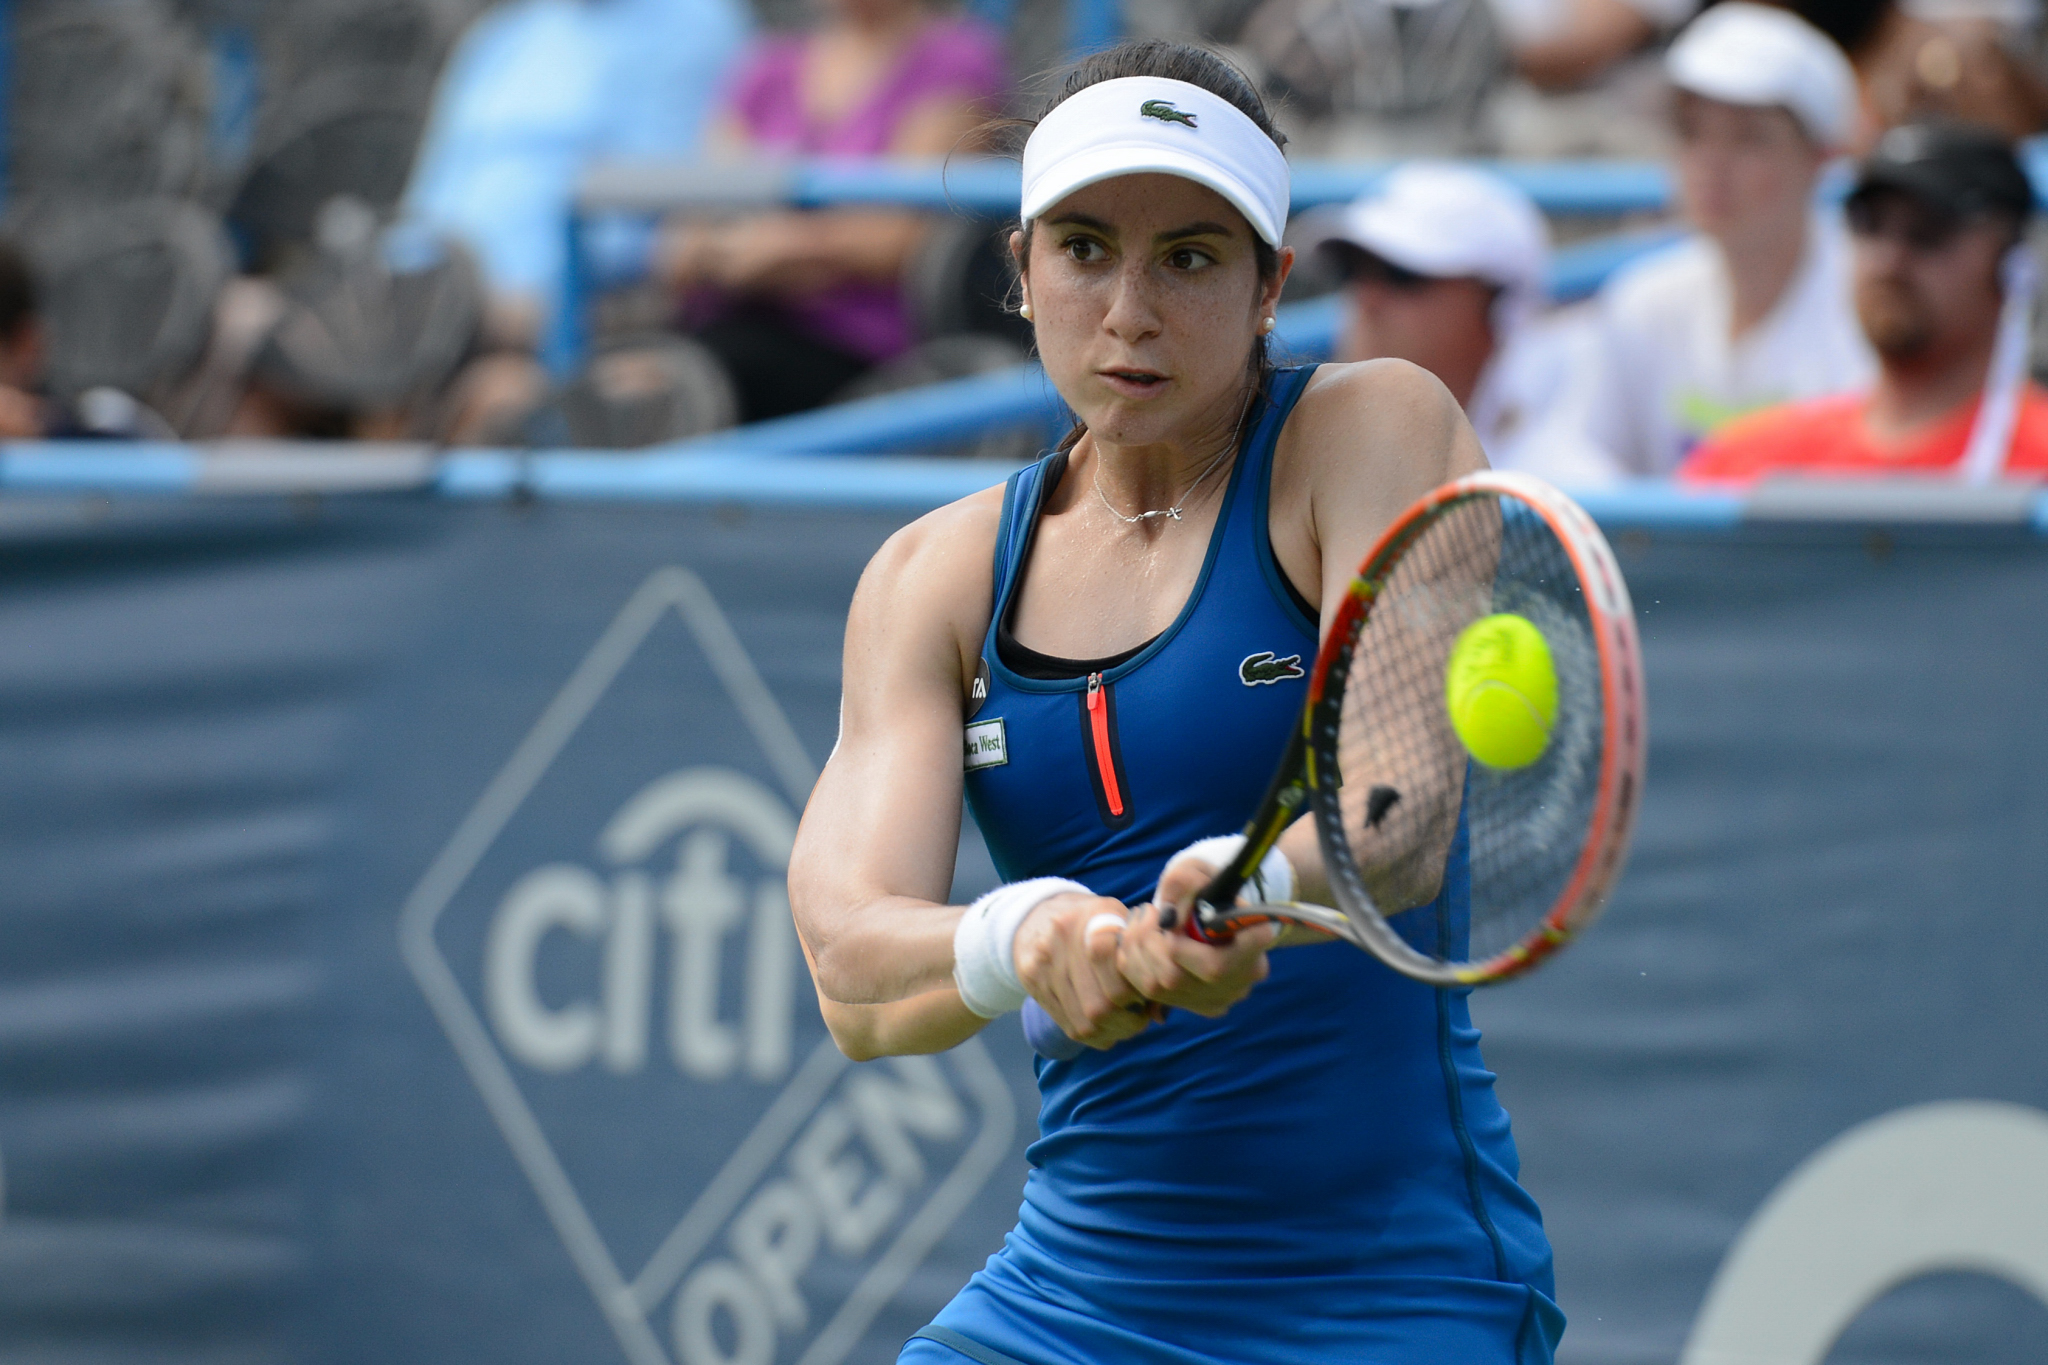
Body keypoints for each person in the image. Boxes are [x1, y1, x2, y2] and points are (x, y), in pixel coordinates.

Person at [787, 39, 1563, 1365]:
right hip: (1068, 1296)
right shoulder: (930, 578)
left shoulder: (1376, 431)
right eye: (1085, 249)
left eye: (1192, 258)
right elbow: (856, 976)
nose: (1129, 308)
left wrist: (1226, 886)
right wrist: (1032, 935)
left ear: (1271, 288)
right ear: (1020, 274)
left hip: (1391, 1291)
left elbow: (1397, 814)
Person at [656, 0, 1007, 422]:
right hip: (730, 327)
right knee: (643, 378)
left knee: (696, 381)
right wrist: (752, 254)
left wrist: (783, 249)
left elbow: (902, 236)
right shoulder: (767, 67)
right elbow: (683, 239)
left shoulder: (956, 59)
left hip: (866, 351)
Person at [1578, 3, 1874, 475]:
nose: (1710, 163)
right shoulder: (1642, 302)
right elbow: (1587, 463)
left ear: (1820, 158)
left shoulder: (1871, 307)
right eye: (1693, 133)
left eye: (1748, 138)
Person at [1684, 121, 2048, 483]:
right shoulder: (1747, 462)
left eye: (1927, 231)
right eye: (1870, 224)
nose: (1890, 261)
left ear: (2009, 263)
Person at [403, 0, 750, 344]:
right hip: (442, 306)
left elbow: (660, 207)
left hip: (568, 315)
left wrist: (530, 300)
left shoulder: (694, 23)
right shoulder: (503, 33)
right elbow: (431, 198)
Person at [1311, 162, 1619, 483]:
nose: (1367, 299)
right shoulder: (1309, 461)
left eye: (1402, 275)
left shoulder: (1572, 479)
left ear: (1499, 307)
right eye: (1352, 272)